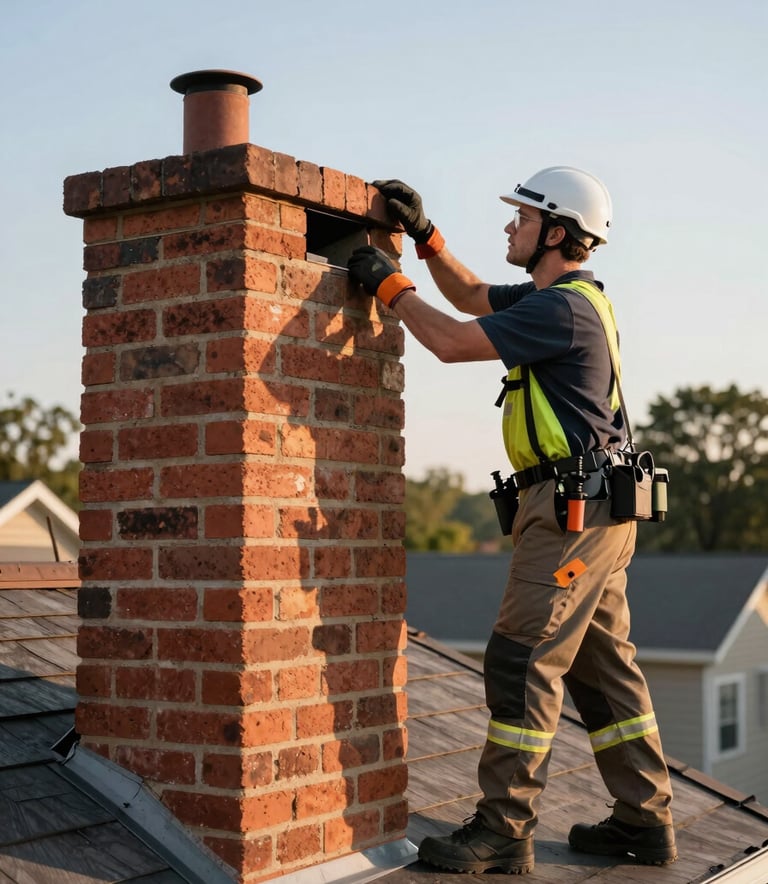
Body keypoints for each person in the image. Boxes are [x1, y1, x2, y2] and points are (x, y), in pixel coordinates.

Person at [347, 169, 677, 875]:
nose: (508, 227)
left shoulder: (560, 309)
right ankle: (643, 822)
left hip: (572, 516)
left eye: (520, 218)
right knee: (601, 671)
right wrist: (426, 238)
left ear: (555, 232)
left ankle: (503, 828)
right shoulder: (557, 299)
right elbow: (468, 296)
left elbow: (452, 339)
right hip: (592, 511)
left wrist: (385, 281)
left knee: (521, 658)